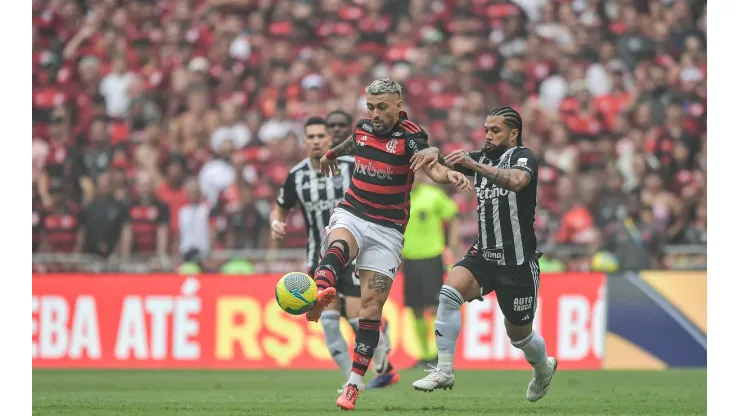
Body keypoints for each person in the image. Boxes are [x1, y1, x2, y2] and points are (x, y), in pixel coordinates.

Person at [305, 79, 472, 410]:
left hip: (388, 230)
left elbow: (430, 164)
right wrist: (331, 153)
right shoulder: (364, 127)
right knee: (339, 243)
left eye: (382, 107)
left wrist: (447, 174)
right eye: (371, 106)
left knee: (370, 309)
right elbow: (353, 142)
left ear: (398, 105)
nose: (376, 113)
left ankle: (353, 384)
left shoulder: (410, 135)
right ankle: (321, 290)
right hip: (354, 210)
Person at [410, 106, 557, 403]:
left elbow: (517, 181)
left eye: (495, 131)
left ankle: (543, 369)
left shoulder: (523, 156)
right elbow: (439, 171)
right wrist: (431, 153)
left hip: (517, 261)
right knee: (449, 292)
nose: (487, 136)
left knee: (520, 336)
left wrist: (473, 165)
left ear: (513, 133)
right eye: (486, 130)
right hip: (484, 255)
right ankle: (445, 370)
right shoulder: (481, 158)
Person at [269, 116, 397, 393]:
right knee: (327, 323)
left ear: (330, 140)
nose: (316, 141)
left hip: (351, 253)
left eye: (320, 136)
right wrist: (276, 223)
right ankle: (354, 381)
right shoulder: (296, 175)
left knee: (356, 317)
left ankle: (382, 359)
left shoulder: (352, 166)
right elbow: (281, 206)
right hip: (317, 257)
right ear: (304, 142)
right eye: (310, 137)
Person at [402, 170, 461, 368]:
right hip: (409, 259)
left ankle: (438, 353)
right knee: (415, 309)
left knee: (434, 307)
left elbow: (452, 216)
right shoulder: (399, 198)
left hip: (432, 258)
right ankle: (424, 355)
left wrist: (452, 245)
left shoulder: (433, 195)